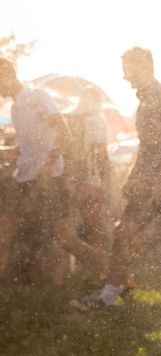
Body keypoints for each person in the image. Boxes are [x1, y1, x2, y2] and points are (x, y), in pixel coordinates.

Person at [70, 47, 161, 313]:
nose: (125, 77)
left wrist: (160, 181)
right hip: (149, 180)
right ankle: (109, 294)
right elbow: (147, 147)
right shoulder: (145, 101)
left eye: (129, 70)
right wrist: (132, 176)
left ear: (144, 67)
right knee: (125, 233)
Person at [0, 57, 105, 285]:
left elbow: (64, 132)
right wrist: (6, 150)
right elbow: (27, 146)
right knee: (4, 230)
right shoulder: (17, 106)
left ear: (6, 75)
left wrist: (48, 165)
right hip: (26, 178)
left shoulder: (36, 96)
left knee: (66, 239)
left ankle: (106, 271)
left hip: (51, 178)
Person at [64, 85, 112, 286]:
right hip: (91, 182)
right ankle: (98, 275)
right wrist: (107, 180)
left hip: (70, 181)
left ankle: (62, 275)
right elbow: (100, 153)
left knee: (68, 231)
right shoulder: (97, 121)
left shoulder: (71, 120)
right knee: (97, 230)